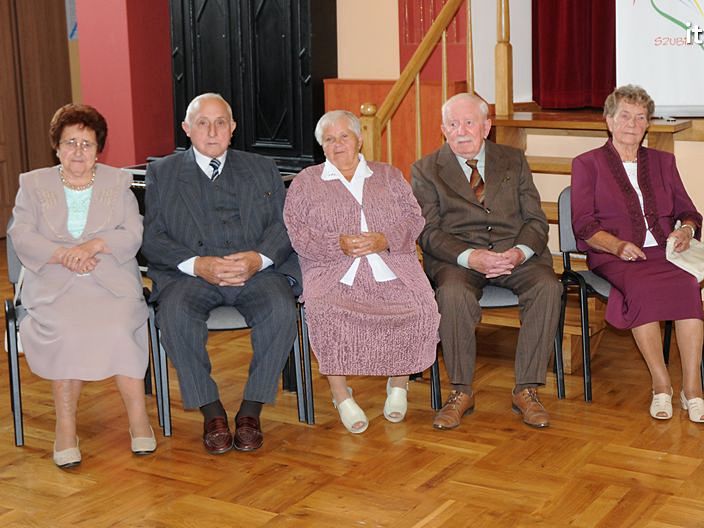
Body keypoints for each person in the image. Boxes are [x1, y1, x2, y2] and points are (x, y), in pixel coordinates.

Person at [142, 93, 299, 453]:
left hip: (255, 273)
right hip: (192, 275)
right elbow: (153, 237)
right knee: (175, 314)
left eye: (220, 122)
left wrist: (258, 259)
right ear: (187, 129)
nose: (212, 130)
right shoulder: (163, 173)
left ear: (232, 128)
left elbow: (285, 224)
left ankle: (250, 410)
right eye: (202, 122)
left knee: (280, 309)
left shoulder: (262, 168)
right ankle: (211, 411)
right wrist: (198, 265)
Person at [9, 104, 156, 468]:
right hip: (54, 282)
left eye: (87, 144)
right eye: (70, 143)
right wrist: (63, 254)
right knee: (66, 329)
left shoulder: (117, 182)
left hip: (109, 277)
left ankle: (138, 420)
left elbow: (132, 231)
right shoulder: (33, 184)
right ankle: (65, 427)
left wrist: (93, 247)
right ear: (56, 148)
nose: (78, 152)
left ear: (98, 149)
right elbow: (21, 234)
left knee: (121, 327)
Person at [411, 93, 562, 430]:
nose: (461, 131)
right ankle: (461, 391)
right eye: (453, 124)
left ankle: (527, 389)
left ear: (486, 126)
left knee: (548, 287)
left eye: (469, 122)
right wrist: (471, 257)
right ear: (442, 129)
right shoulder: (425, 169)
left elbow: (536, 220)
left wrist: (520, 252)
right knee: (451, 294)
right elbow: (429, 232)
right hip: (458, 258)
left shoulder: (514, 160)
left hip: (514, 253)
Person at [284, 110, 440, 434]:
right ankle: (341, 396)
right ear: (321, 147)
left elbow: (414, 218)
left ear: (359, 139)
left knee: (421, 304)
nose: (338, 144)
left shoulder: (388, 175)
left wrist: (386, 239)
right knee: (324, 308)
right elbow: (297, 232)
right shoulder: (306, 182)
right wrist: (336, 243)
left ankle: (399, 385)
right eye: (329, 139)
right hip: (331, 269)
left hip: (390, 264)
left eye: (344, 136)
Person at [571, 85, 704, 423]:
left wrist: (685, 231)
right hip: (615, 254)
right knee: (643, 289)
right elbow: (583, 225)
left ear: (648, 124)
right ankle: (661, 385)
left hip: (665, 252)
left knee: (688, 287)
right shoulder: (587, 164)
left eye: (640, 117)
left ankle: (692, 390)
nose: (632, 124)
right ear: (609, 120)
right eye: (625, 116)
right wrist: (617, 245)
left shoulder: (664, 162)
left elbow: (689, 211)